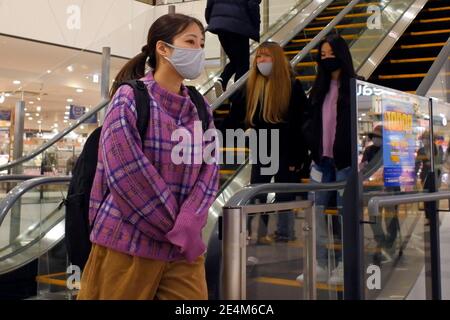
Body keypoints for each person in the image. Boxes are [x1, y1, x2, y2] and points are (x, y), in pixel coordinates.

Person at [77, 13, 219, 300]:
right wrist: (176, 226)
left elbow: (210, 167)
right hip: (126, 242)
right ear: (163, 48)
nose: (198, 50)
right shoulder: (130, 97)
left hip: (181, 248)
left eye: (202, 43)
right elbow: (126, 171)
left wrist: (190, 220)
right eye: (190, 41)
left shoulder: (200, 106)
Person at [221, 41, 308, 244]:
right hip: (262, 145)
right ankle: (255, 233)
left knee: (284, 190)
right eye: (259, 57)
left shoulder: (292, 85)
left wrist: (298, 156)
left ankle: (284, 232)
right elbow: (237, 116)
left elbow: (299, 123)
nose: (261, 61)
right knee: (257, 189)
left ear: (276, 59)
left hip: (286, 145)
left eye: (266, 56)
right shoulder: (252, 86)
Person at [297, 34, 357, 285]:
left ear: (341, 54)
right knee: (316, 213)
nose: (327, 59)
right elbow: (311, 121)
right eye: (323, 55)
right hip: (321, 161)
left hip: (345, 163)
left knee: (346, 214)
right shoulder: (318, 89)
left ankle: (345, 263)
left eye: (331, 54)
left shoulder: (355, 87)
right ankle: (319, 262)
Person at [205, 0, 261, 94]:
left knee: (236, 60)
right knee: (243, 64)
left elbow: (209, 7)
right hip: (239, 28)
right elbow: (252, 5)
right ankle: (239, 94)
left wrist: (214, 21)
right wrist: (255, 28)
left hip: (220, 27)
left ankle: (222, 80)